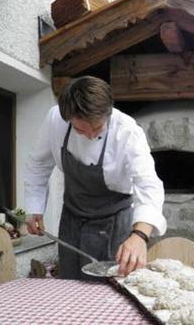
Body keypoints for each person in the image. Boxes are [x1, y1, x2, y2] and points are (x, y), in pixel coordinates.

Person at [24, 76, 166, 279]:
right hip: (72, 216)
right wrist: (33, 208)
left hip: (114, 221)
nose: (90, 136)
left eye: (97, 129)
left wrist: (140, 236)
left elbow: (149, 185)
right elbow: (38, 163)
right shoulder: (55, 120)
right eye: (80, 130)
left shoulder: (127, 131)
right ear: (67, 118)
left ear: (108, 114)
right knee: (70, 282)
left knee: (112, 287)